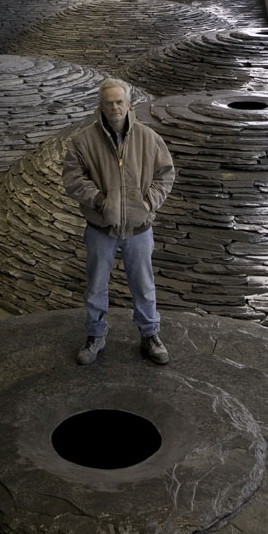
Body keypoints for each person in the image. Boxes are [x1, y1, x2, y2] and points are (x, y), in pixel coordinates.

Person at [62, 78, 175, 365]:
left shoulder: (149, 138)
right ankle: (95, 335)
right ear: (100, 105)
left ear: (129, 104)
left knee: (144, 285)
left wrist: (148, 203)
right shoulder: (83, 141)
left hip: (139, 229)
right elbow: (73, 179)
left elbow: (166, 174)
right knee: (96, 285)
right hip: (101, 228)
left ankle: (150, 335)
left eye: (119, 102)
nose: (114, 107)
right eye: (108, 102)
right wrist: (101, 202)